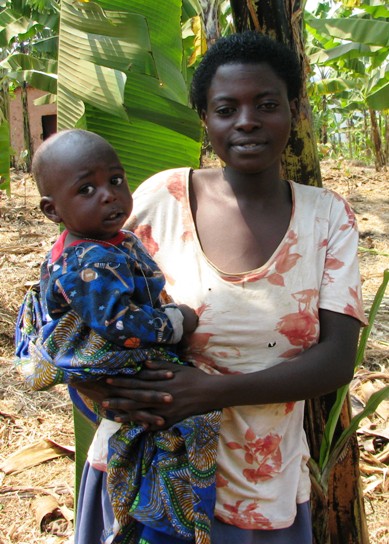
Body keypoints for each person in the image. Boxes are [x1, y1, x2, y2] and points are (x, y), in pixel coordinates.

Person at [70, 31, 368, 544]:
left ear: (295, 111)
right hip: (146, 475)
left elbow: (338, 359)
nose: (247, 121)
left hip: (259, 491)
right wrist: (99, 387)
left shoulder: (327, 217)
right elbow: (78, 304)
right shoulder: (160, 200)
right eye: (226, 108)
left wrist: (211, 393)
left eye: (267, 104)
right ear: (205, 120)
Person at [18, 129, 221, 543]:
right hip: (106, 356)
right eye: (87, 189)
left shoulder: (108, 240)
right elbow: (121, 326)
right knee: (187, 423)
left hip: (116, 359)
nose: (109, 195)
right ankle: (170, 520)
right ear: (52, 210)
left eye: (115, 180)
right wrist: (177, 321)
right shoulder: (87, 260)